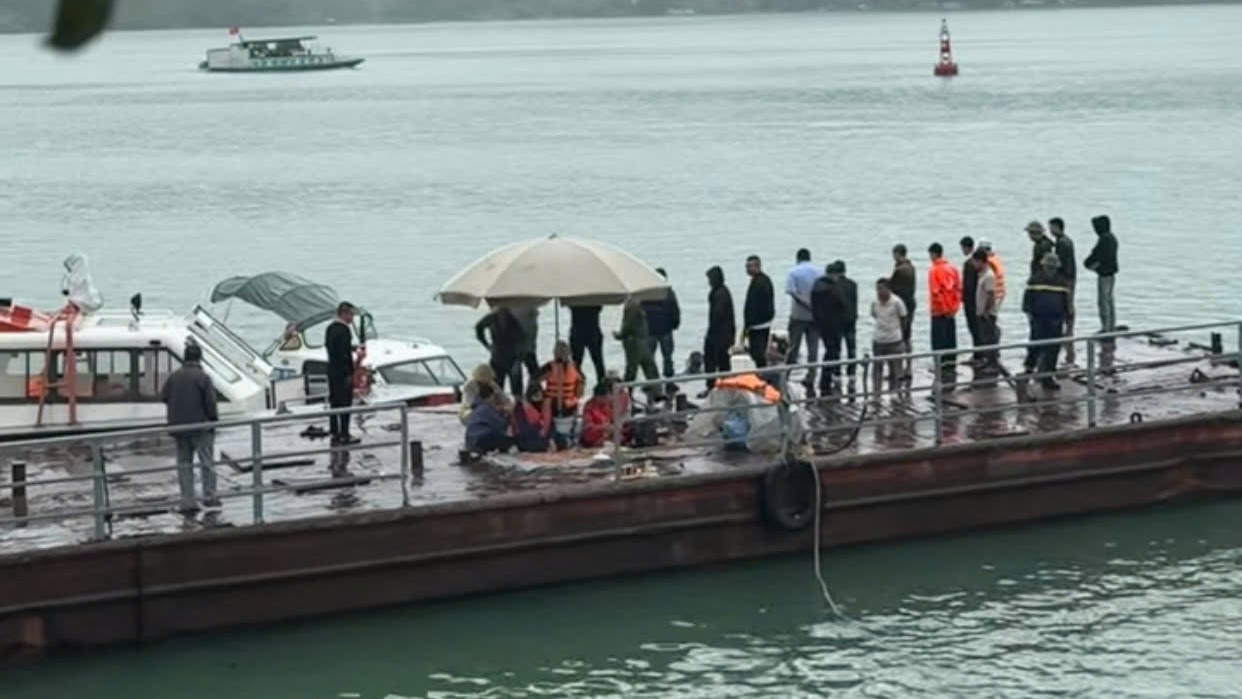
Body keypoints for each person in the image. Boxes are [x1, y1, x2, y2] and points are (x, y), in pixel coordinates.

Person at [161, 343, 219, 512]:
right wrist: (213, 421)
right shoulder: (203, 377)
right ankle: (209, 497)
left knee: (184, 464)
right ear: (199, 358)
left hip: (179, 428)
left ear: (185, 358)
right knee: (206, 463)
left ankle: (188, 500)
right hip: (201, 427)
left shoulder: (174, 377)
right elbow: (210, 403)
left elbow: (164, 396)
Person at [1023, 253, 1072, 390]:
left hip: (1055, 320)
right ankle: (1028, 370)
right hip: (1039, 318)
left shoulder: (1061, 283)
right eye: (1049, 267)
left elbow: (1066, 303)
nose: (1050, 269)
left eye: (1052, 267)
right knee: (1035, 345)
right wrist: (1029, 314)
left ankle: (1047, 377)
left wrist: (1067, 317)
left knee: (1052, 349)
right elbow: (1027, 301)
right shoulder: (1035, 280)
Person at [784, 248, 821, 396]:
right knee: (814, 348)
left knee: (793, 347)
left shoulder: (794, 272)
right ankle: (811, 377)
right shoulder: (820, 271)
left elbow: (792, 292)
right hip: (815, 316)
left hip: (798, 315)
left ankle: (785, 377)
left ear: (797, 258)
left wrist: (805, 303)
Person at [928, 243, 962, 387]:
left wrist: (943, 308)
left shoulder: (934, 270)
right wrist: (954, 308)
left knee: (938, 341)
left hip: (939, 311)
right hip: (952, 311)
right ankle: (951, 365)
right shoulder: (953, 269)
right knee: (951, 340)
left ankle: (940, 367)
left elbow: (936, 293)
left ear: (934, 254)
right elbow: (958, 290)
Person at [325, 301, 358, 445]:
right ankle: (344, 433)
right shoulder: (344, 330)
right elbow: (344, 354)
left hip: (332, 370)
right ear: (344, 314)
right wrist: (350, 372)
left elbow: (333, 348)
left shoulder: (330, 328)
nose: (352, 318)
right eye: (351, 314)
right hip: (343, 372)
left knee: (334, 401)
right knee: (345, 402)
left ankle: (335, 431)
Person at [476, 304, 526, 397]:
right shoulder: (492, 318)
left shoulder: (513, 320)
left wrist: (518, 360)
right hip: (497, 358)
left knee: (517, 390)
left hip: (512, 358)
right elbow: (478, 328)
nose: (502, 310)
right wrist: (486, 344)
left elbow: (522, 341)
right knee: (496, 389)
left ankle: (518, 406)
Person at [870, 279, 908, 398]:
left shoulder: (897, 302)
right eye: (877, 289)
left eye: (881, 289)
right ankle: (876, 394)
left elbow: (904, 319)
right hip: (878, 340)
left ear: (888, 289)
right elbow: (874, 315)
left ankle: (896, 394)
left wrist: (902, 335)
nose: (879, 292)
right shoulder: (875, 302)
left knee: (896, 369)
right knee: (877, 368)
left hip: (894, 340)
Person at [1083, 214, 1120, 335]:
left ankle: (1106, 328)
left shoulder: (1105, 239)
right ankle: (1110, 326)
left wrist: (1090, 264)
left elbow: (1099, 255)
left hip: (1105, 274)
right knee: (1109, 300)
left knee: (1104, 301)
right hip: (1110, 274)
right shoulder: (1111, 238)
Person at [641, 268, 681, 379]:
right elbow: (675, 310)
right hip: (665, 330)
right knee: (667, 357)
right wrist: (675, 324)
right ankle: (669, 380)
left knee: (650, 358)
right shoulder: (668, 293)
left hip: (651, 330)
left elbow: (641, 311)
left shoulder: (646, 293)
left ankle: (651, 380)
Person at [1049, 217, 1077, 363]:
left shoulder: (1062, 243)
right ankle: (1069, 330)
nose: (1050, 230)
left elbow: (1062, 262)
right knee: (1068, 302)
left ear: (1058, 227)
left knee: (1068, 303)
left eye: (1052, 227)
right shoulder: (1065, 241)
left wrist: (1060, 278)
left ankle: (1069, 329)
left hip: (1066, 277)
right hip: (1069, 276)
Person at [704, 265, 736, 391]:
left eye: (710, 279)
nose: (709, 282)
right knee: (722, 361)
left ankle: (713, 385)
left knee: (714, 360)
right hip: (725, 333)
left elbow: (718, 315)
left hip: (720, 334)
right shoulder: (722, 291)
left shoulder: (720, 294)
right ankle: (723, 384)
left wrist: (710, 331)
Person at [615, 297, 659, 385]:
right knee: (649, 366)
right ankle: (656, 390)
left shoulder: (632, 304)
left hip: (635, 340)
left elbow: (627, 323)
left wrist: (620, 335)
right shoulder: (638, 303)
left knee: (632, 368)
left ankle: (628, 391)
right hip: (642, 338)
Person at [889, 244, 917, 379]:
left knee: (899, 338)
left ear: (898, 254)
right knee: (907, 337)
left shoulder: (900, 270)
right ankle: (909, 367)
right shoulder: (911, 267)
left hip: (901, 306)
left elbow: (892, 287)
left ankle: (898, 370)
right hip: (910, 304)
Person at [742, 255, 775, 369]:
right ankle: (762, 371)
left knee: (757, 353)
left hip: (757, 324)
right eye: (746, 266)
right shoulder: (764, 280)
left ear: (758, 266)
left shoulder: (759, 283)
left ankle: (762, 373)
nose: (747, 269)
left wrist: (748, 324)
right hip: (764, 322)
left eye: (750, 266)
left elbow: (754, 305)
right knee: (759, 352)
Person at [579, 377, 632, 448]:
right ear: (598, 397)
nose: (608, 398)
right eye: (606, 397)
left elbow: (619, 420)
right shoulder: (590, 407)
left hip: (611, 432)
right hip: (597, 435)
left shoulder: (612, 402)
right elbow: (588, 427)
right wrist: (604, 427)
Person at [973, 249, 1002, 375]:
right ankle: (988, 361)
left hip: (987, 314)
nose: (974, 265)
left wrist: (986, 310)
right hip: (981, 312)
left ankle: (993, 364)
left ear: (980, 261)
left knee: (990, 338)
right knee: (985, 338)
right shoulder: (982, 274)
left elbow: (991, 295)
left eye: (975, 262)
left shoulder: (989, 275)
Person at [511, 384, 564, 453]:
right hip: (527, 438)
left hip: (544, 436)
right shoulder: (520, 408)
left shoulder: (545, 406)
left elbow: (551, 425)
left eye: (540, 397)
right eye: (536, 397)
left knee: (562, 440)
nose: (539, 400)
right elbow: (521, 428)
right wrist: (539, 428)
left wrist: (551, 437)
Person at [539, 340, 583, 418]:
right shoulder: (575, 367)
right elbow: (580, 391)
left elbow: (534, 380)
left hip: (552, 406)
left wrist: (542, 394)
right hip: (570, 406)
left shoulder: (549, 366)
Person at [465, 384, 514, 453]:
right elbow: (500, 425)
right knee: (510, 440)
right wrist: (507, 415)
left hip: (470, 440)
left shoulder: (475, 409)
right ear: (490, 396)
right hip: (482, 438)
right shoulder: (487, 408)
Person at [569, 305, 606, 385]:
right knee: (598, 363)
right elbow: (599, 307)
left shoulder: (575, 298)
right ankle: (602, 388)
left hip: (577, 332)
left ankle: (576, 387)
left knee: (576, 364)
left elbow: (570, 305)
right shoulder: (592, 299)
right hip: (592, 331)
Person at [513, 305, 541, 398]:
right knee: (530, 372)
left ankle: (527, 395)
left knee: (533, 372)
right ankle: (526, 396)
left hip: (526, 347)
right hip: (521, 347)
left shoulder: (529, 308)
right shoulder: (528, 306)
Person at [960, 236, 981, 358]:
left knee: (974, 327)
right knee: (978, 327)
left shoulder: (969, 263)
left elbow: (969, 284)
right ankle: (979, 353)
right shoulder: (978, 261)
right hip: (977, 299)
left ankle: (977, 354)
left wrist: (964, 297)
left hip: (971, 301)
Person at [978, 238, 1007, 309]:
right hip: (999, 294)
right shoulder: (995, 259)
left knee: (987, 317)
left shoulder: (988, 262)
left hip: (991, 295)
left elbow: (986, 280)